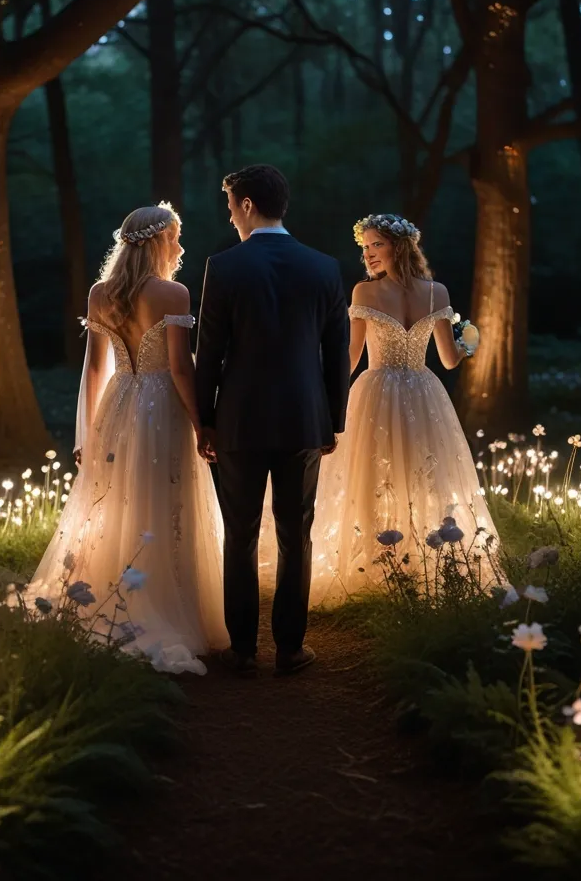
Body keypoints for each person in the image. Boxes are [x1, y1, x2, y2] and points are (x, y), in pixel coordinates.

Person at [31, 203, 228, 675]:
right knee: (165, 498)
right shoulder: (173, 294)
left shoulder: (102, 293)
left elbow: (95, 368)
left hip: (118, 406)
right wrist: (202, 422)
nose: (180, 247)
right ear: (159, 242)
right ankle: (168, 600)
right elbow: (182, 368)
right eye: (175, 238)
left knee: (119, 500)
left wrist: (89, 429)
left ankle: (118, 591)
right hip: (162, 406)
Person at [195, 165, 350, 677]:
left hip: (239, 420)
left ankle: (242, 650)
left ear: (244, 205)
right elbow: (337, 352)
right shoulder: (325, 267)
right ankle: (289, 648)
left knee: (239, 533)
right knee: (295, 533)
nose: (230, 216)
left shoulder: (223, 266)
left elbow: (210, 354)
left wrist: (205, 421)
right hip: (305, 419)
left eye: (230, 206)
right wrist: (334, 420)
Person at [299, 213, 501, 604]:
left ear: (399, 246)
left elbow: (351, 356)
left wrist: (320, 385)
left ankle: (386, 558)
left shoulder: (364, 293)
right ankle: (410, 555)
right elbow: (449, 359)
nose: (369, 255)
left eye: (377, 245)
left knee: (385, 469)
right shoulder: (436, 293)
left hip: (377, 389)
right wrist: (469, 342)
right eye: (365, 247)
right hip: (424, 391)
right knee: (414, 469)